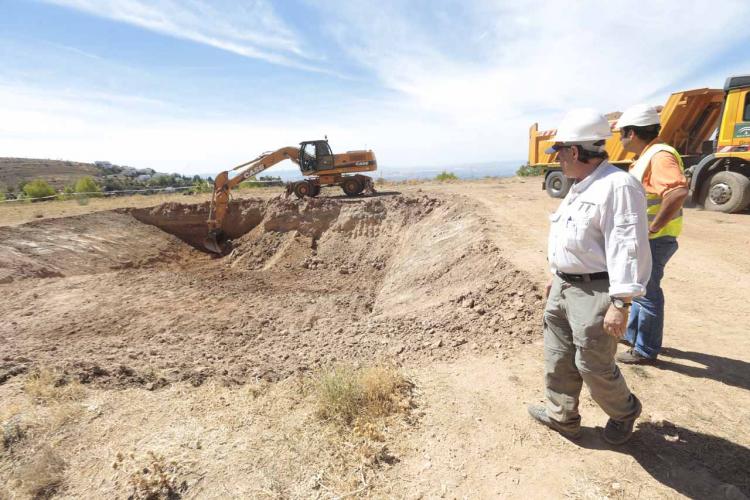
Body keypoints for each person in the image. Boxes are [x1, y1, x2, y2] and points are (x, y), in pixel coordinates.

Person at [528, 108, 652, 445]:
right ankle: (562, 417)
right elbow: (570, 236)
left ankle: (624, 412)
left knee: (593, 364)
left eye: (560, 151)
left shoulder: (618, 186)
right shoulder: (580, 185)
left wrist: (621, 302)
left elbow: (627, 245)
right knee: (558, 356)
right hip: (565, 286)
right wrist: (557, 273)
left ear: (575, 151)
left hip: (597, 291)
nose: (558, 158)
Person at [615, 104, 689, 364]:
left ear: (632, 133)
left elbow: (678, 192)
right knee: (640, 290)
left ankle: (645, 350)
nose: (620, 139)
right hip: (650, 239)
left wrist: (653, 227)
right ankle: (633, 336)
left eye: (621, 134)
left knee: (647, 293)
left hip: (656, 240)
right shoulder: (650, 154)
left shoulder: (659, 156)